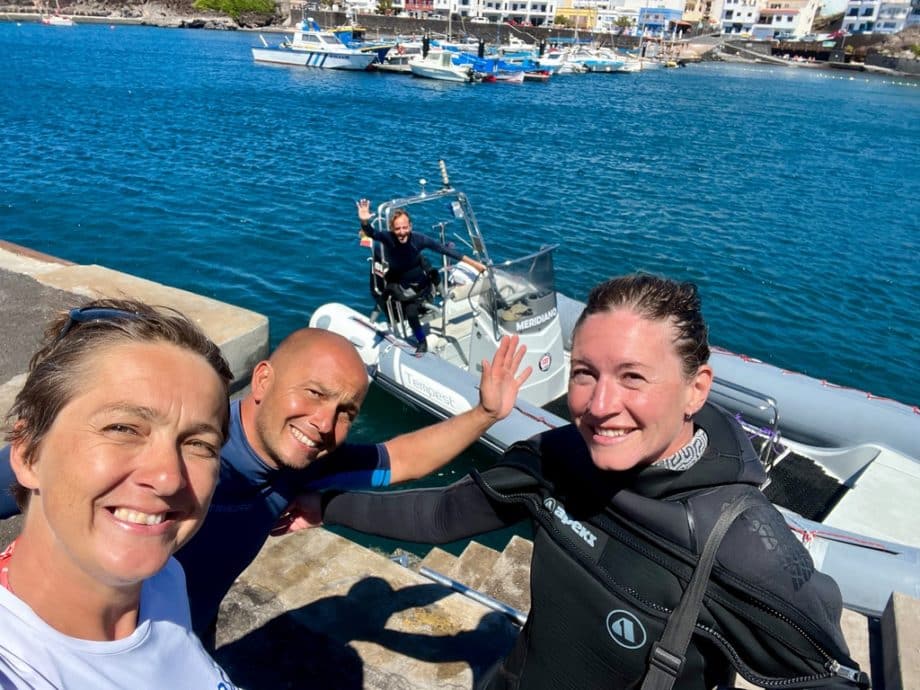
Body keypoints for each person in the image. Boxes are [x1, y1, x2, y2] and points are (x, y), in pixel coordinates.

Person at [290, 274, 869, 689]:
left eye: (634, 377)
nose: (600, 404)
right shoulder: (555, 459)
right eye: (586, 374)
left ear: (696, 388)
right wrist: (325, 506)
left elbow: (826, 673)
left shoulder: (741, 541)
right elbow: (444, 515)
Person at [0, 326, 531, 645]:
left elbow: (403, 458)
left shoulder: (304, 461)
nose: (324, 422)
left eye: (345, 410)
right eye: (314, 393)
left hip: (185, 638)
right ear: (262, 380)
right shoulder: (177, 445)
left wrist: (484, 413)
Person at [0, 299, 237, 688]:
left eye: (199, 445)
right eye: (123, 428)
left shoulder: (162, 582)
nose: (168, 478)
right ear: (28, 454)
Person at [358, 198, 486, 353]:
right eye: (397, 229)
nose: (402, 232)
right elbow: (372, 233)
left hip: (420, 285)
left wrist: (476, 265)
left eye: (405, 227)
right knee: (400, 305)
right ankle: (419, 339)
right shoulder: (388, 238)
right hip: (401, 285)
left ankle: (422, 336)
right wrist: (364, 221)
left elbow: (447, 251)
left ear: (410, 226)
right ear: (392, 229)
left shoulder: (419, 239)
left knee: (414, 309)